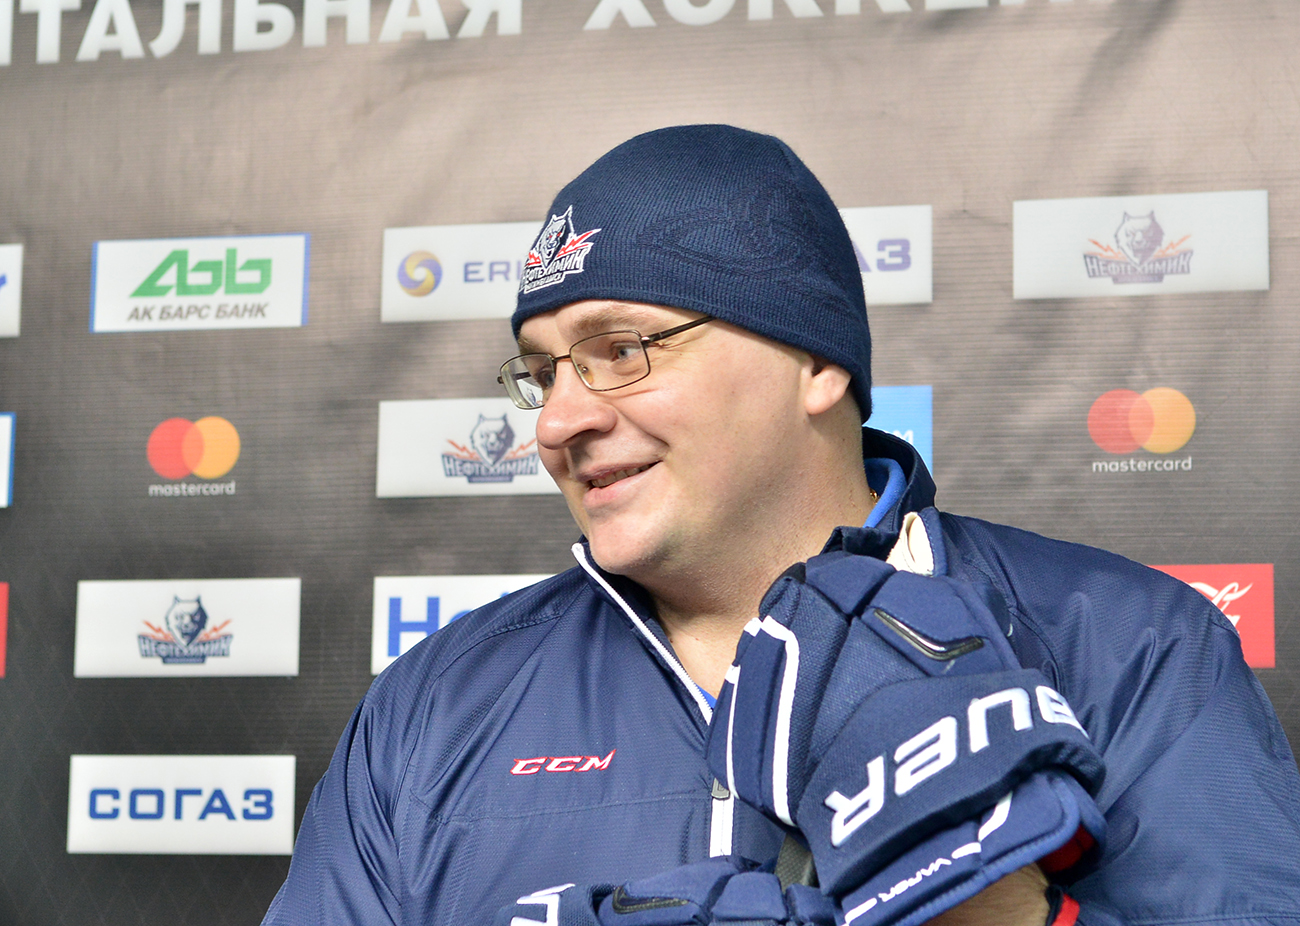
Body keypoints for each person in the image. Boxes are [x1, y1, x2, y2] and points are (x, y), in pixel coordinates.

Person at [261, 125, 1300, 926]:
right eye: (541, 371)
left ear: (815, 362)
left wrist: (1009, 910)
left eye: (620, 349)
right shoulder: (432, 704)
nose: (557, 419)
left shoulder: (1129, 645)